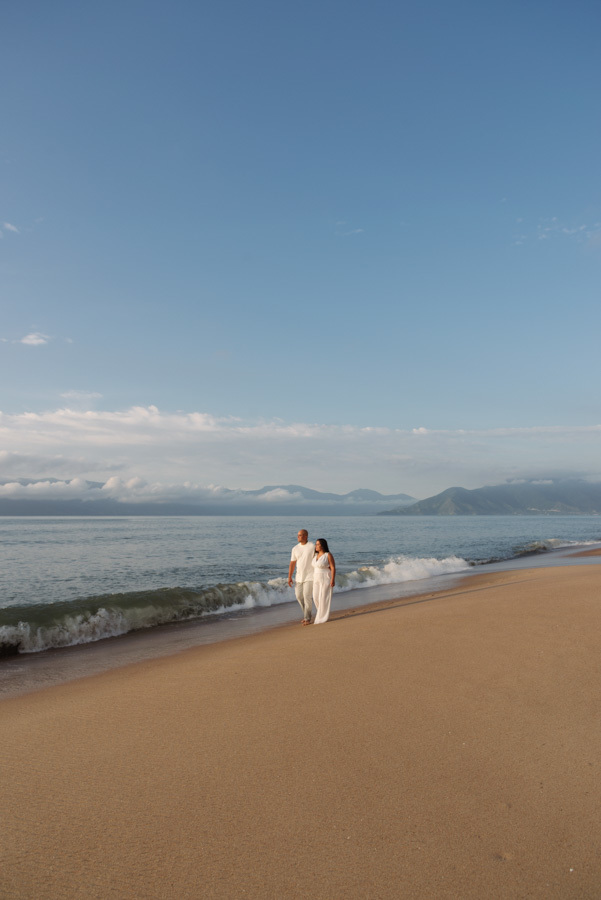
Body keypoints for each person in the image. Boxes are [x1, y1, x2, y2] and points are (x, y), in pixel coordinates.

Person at [288, 529, 315, 625]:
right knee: (299, 596)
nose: (298, 537)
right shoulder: (295, 548)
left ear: (306, 536)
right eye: (298, 535)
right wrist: (289, 576)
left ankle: (307, 618)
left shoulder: (312, 546)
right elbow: (292, 563)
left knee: (307, 596)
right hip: (299, 577)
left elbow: (320, 556)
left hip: (310, 576)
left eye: (300, 535)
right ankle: (306, 615)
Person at [312, 538, 335, 625]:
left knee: (324, 598)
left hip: (325, 577)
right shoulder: (315, 556)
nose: (316, 546)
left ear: (322, 545)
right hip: (316, 578)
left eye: (317, 544)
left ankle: (322, 618)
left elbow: (332, 567)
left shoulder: (327, 555)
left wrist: (332, 579)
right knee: (315, 597)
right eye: (316, 544)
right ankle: (321, 613)